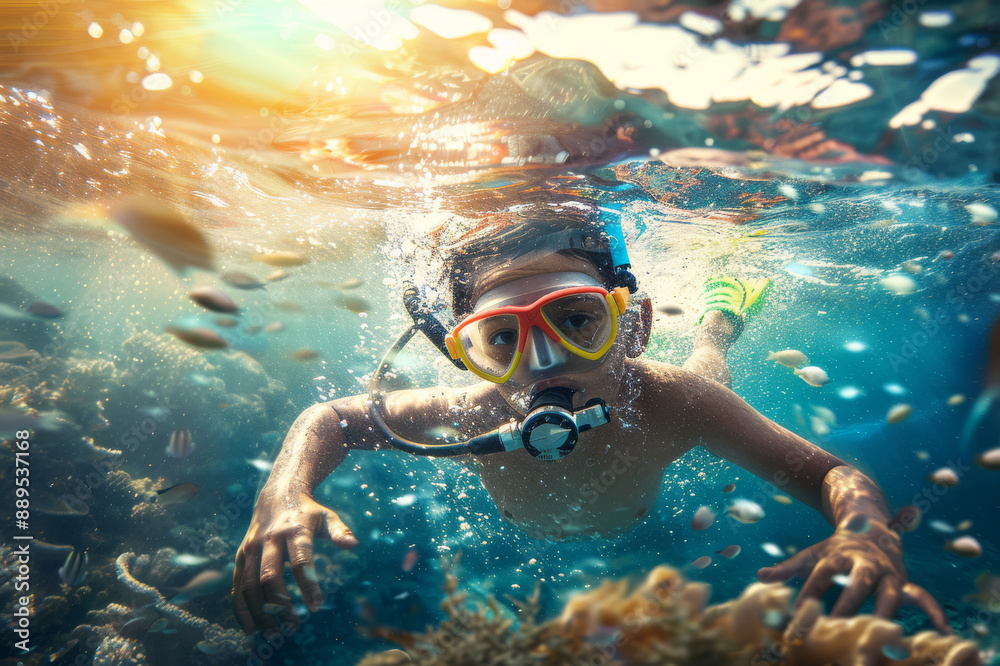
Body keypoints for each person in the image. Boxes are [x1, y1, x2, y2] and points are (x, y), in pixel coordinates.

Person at [233, 203, 948, 636]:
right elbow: (329, 417)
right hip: (552, 542)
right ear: (467, 355)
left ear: (630, 329)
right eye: (502, 338)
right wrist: (282, 494)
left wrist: (865, 531)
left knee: (706, 368)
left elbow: (832, 473)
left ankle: (718, 317)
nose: (545, 363)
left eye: (577, 322)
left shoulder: (677, 403)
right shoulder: (469, 410)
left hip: (654, 514)